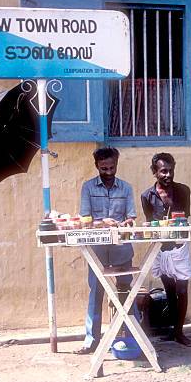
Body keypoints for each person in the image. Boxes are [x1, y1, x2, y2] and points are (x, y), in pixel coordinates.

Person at [74, 147, 136, 355]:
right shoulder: (88, 187)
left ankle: (132, 336)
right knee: (96, 291)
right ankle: (92, 340)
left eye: (112, 167)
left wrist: (126, 223)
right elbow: (84, 220)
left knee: (126, 290)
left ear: (117, 164)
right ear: (96, 166)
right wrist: (102, 223)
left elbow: (131, 217)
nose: (108, 172)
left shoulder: (126, 188)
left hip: (121, 247)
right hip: (98, 249)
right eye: (104, 168)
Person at [141, 153, 191, 347]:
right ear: (154, 172)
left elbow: (184, 219)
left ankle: (180, 332)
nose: (168, 174)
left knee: (182, 288)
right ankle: (173, 330)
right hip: (161, 249)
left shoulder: (183, 191)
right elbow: (149, 223)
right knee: (170, 290)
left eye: (171, 170)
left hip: (179, 247)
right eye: (163, 171)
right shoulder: (147, 196)